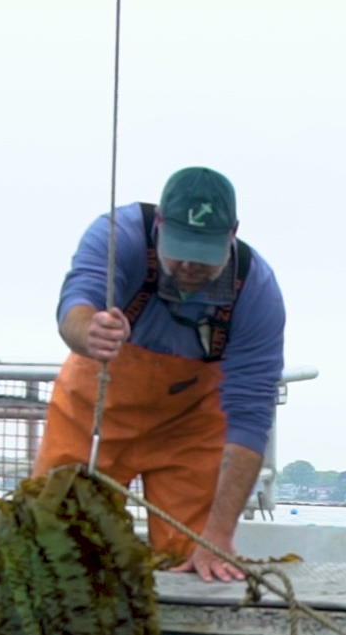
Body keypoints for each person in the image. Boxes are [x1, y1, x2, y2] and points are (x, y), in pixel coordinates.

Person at [35, 167, 286, 582]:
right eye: (179, 248)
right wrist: (89, 331)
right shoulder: (119, 236)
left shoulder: (256, 291)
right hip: (94, 412)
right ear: (159, 225)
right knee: (53, 545)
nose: (189, 264)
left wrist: (218, 534)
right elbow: (76, 304)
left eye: (203, 253)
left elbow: (250, 419)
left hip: (189, 428)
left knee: (192, 558)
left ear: (232, 234)